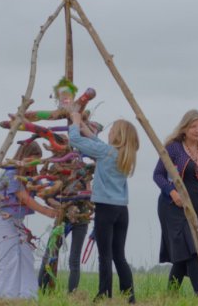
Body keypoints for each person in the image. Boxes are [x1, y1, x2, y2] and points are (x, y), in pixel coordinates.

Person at [68, 111, 139, 303]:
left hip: (105, 210)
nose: (108, 133)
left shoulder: (106, 152)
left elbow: (75, 140)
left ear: (117, 136)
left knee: (104, 255)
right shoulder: (125, 155)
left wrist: (75, 122)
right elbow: (101, 146)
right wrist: (87, 129)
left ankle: (104, 295)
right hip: (122, 211)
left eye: (112, 130)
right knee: (119, 255)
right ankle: (129, 295)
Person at [153, 109, 198, 295]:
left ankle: (170, 295)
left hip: (196, 207)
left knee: (184, 254)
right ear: (184, 128)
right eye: (193, 126)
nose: (197, 130)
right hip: (172, 207)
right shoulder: (173, 148)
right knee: (193, 250)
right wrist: (172, 193)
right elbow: (158, 175)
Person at [0, 142, 58, 300]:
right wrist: (47, 211)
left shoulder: (32, 176)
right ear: (23, 157)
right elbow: (24, 197)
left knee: (27, 256)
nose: (33, 166)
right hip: (2, 220)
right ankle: (7, 299)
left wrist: (55, 203)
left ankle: (28, 298)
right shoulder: (11, 172)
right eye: (31, 161)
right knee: (10, 259)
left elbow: (43, 193)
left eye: (36, 163)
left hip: (17, 223)